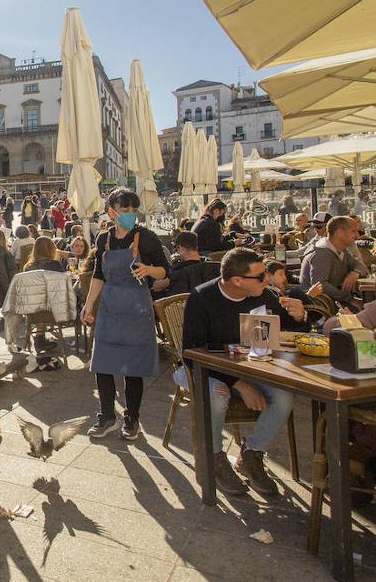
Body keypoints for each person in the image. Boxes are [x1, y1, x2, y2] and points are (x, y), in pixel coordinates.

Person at [181, 248, 307, 495]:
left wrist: (301, 316)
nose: (267, 280)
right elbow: (192, 353)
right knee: (216, 398)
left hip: (251, 367)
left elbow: (289, 328)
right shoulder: (202, 298)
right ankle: (215, 458)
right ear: (238, 281)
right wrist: (238, 383)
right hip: (204, 369)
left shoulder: (262, 295)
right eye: (261, 276)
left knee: (284, 397)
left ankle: (252, 454)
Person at [80, 188, 169, 441]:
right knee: (103, 364)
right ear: (111, 211)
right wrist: (88, 305)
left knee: (133, 366)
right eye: (124, 210)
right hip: (110, 307)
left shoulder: (147, 237)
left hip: (138, 309)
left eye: (133, 210)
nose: (130, 214)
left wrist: (150, 270)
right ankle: (107, 416)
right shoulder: (103, 239)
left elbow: (165, 271)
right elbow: (99, 275)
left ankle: (132, 419)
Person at [300, 215, 362, 311]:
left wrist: (355, 273)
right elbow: (321, 285)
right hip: (321, 308)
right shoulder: (321, 254)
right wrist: (349, 299)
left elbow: (362, 266)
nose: (357, 236)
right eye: (353, 231)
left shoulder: (341, 251)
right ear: (340, 233)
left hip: (336, 302)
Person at [153, 231, 218, 297]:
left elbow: (157, 287)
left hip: (181, 304)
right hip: (207, 302)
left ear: (181, 248)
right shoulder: (211, 264)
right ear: (196, 246)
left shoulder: (180, 269)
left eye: (176, 248)